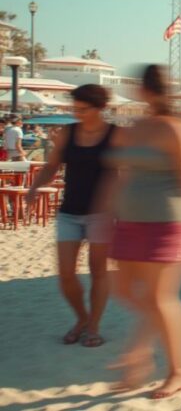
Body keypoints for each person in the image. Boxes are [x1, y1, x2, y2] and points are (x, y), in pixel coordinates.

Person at [104, 65, 181, 398]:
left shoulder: (177, 129)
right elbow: (120, 175)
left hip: (165, 221)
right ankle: (140, 353)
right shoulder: (135, 127)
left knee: (160, 298)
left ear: (149, 90)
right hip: (128, 221)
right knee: (124, 290)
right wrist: (109, 214)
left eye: (139, 87)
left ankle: (178, 370)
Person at [27, 85, 116, 348]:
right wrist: (34, 188)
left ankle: (94, 327)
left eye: (82, 109)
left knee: (98, 272)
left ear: (99, 108)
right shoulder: (68, 133)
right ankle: (82, 318)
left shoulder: (116, 135)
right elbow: (52, 165)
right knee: (65, 274)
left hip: (101, 214)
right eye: (74, 108)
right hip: (69, 212)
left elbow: (126, 171)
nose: (77, 113)